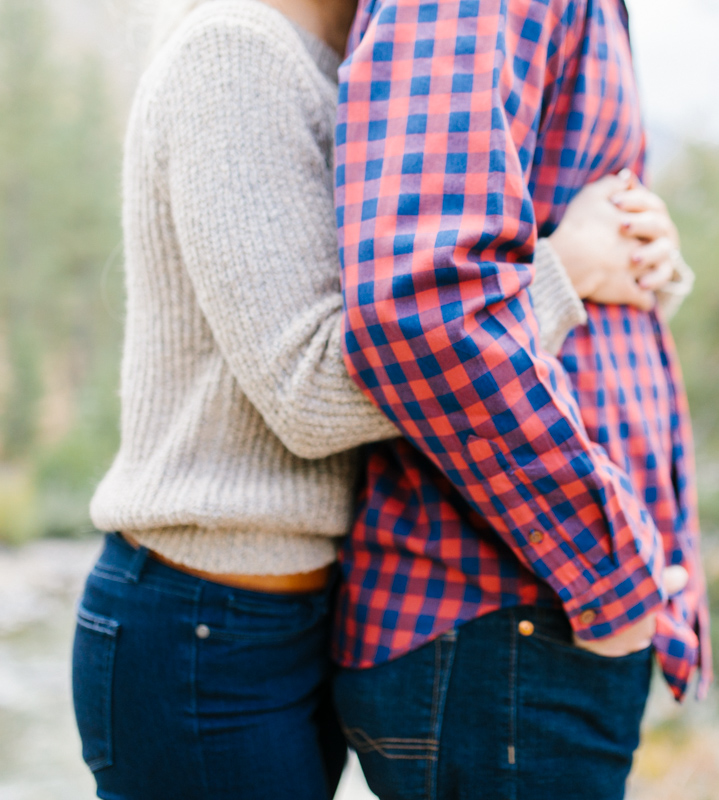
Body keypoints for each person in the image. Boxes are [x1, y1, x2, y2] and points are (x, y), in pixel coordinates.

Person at [69, 0, 686, 797]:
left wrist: (640, 264)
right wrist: (564, 271)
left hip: (291, 611)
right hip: (200, 616)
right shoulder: (234, 54)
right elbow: (308, 393)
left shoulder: (343, 57)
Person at [331, 0, 712, 798]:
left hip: (541, 617)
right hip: (512, 616)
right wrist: (615, 574)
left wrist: (650, 266)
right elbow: (423, 305)